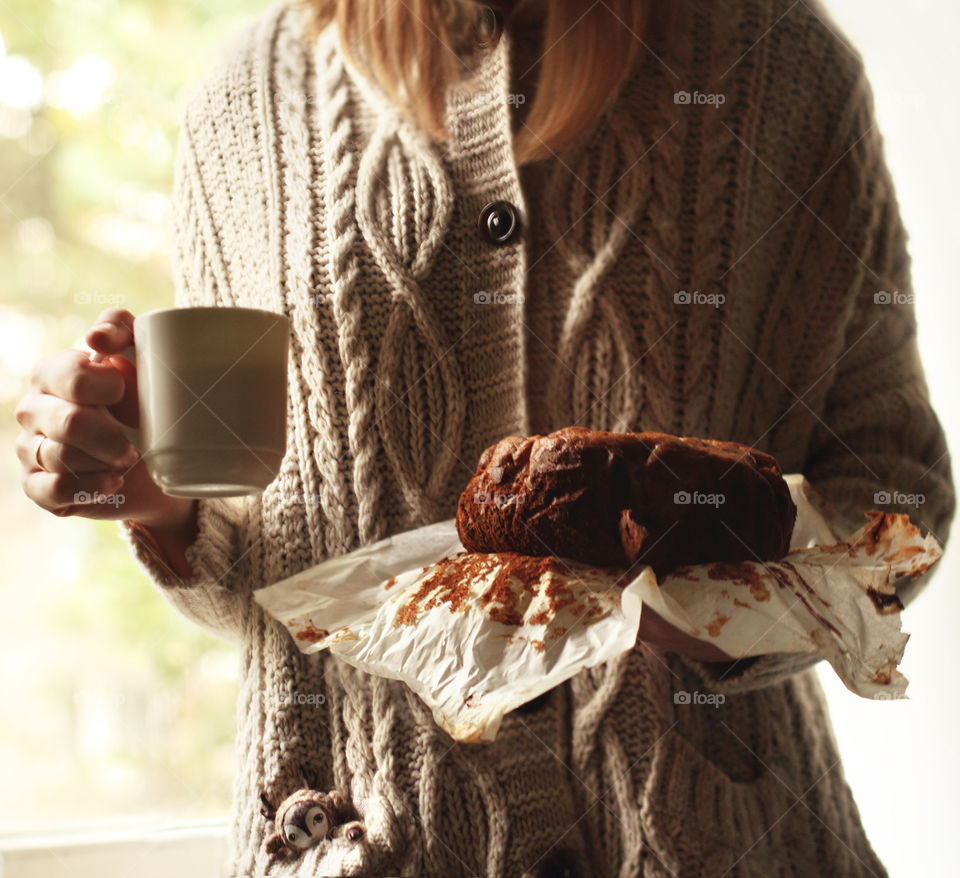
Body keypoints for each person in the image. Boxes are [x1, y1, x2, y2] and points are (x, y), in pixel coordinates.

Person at [14, 0, 955, 875]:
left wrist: (723, 618)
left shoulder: (776, 60)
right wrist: (151, 499)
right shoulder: (247, 101)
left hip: (714, 838)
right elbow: (273, 582)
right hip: (367, 833)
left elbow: (897, 485)